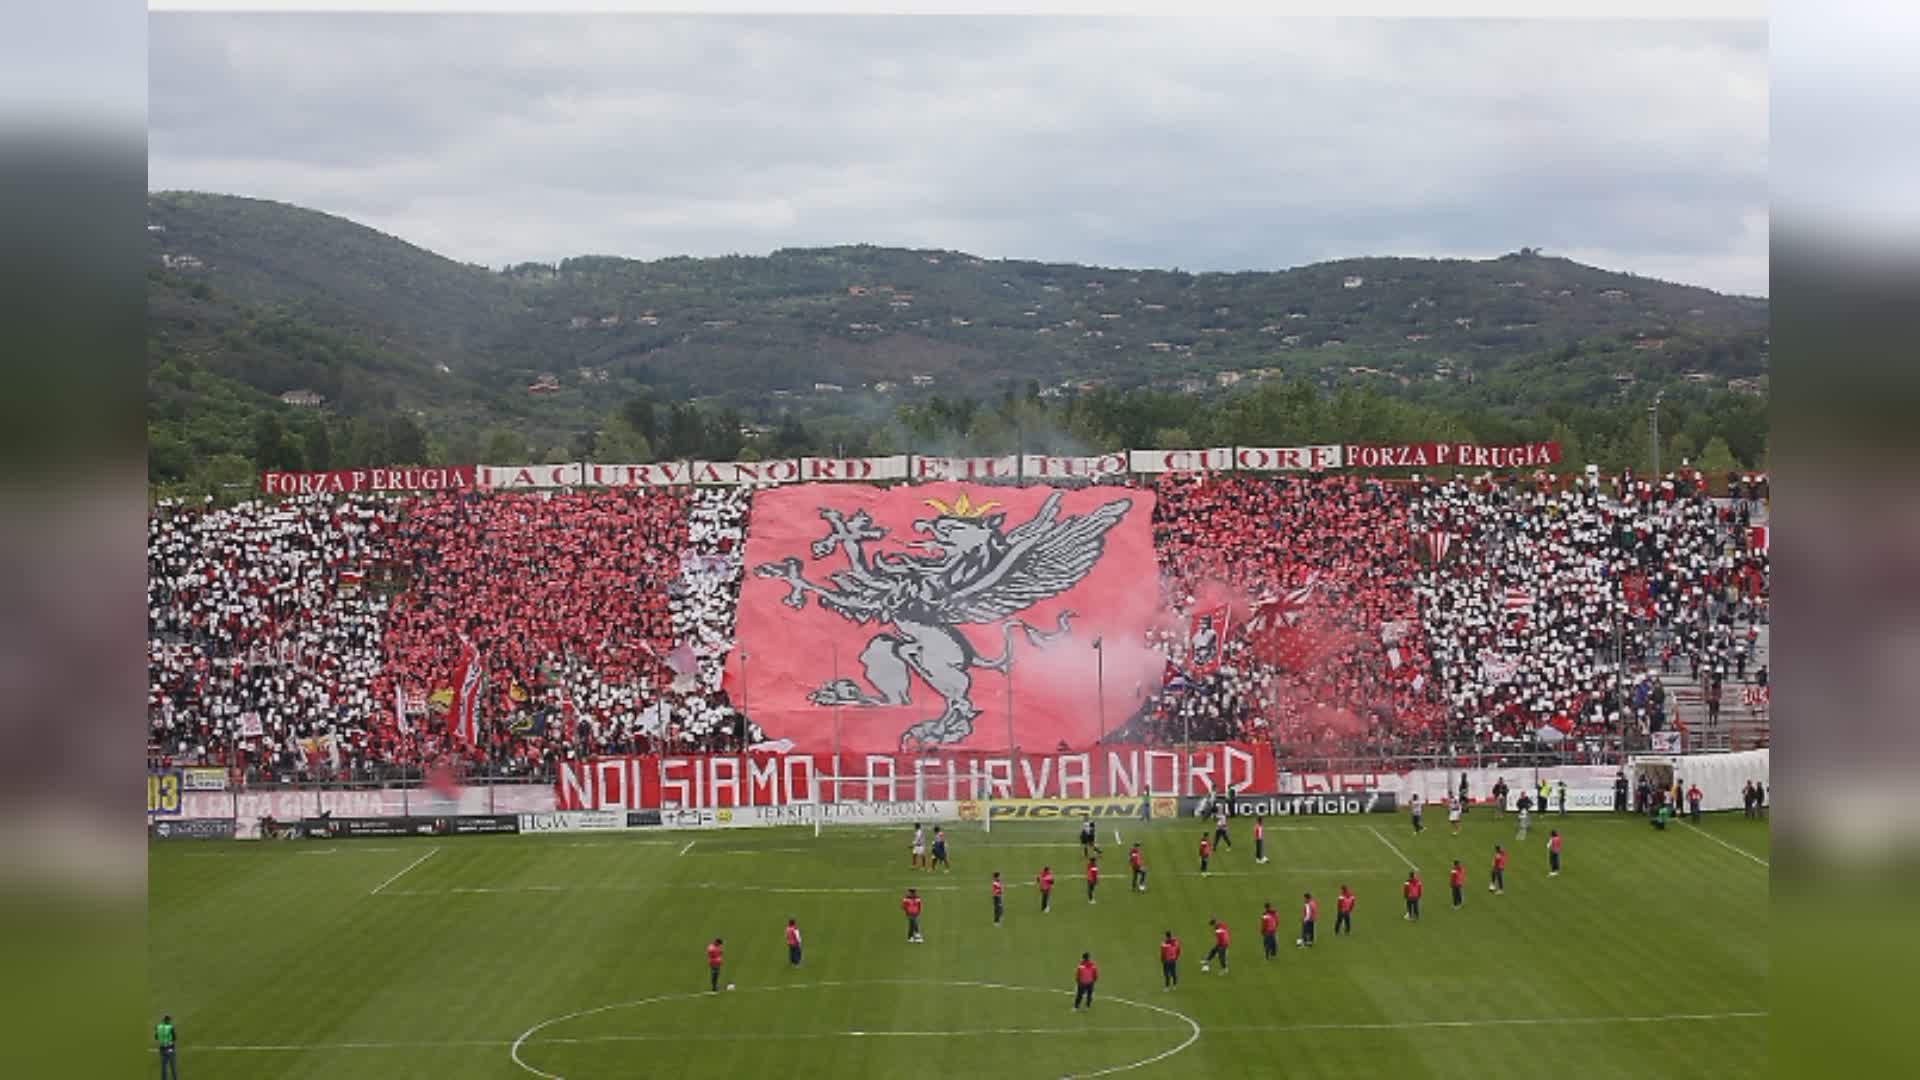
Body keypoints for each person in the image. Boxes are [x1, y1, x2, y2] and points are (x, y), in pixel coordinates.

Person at [155, 1014, 179, 1080]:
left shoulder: (158, 1027)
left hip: (162, 1049)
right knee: (173, 1066)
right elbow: (175, 1038)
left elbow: (156, 1037)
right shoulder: (170, 1027)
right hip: (170, 1048)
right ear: (168, 1020)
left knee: (164, 1067)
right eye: (169, 1020)